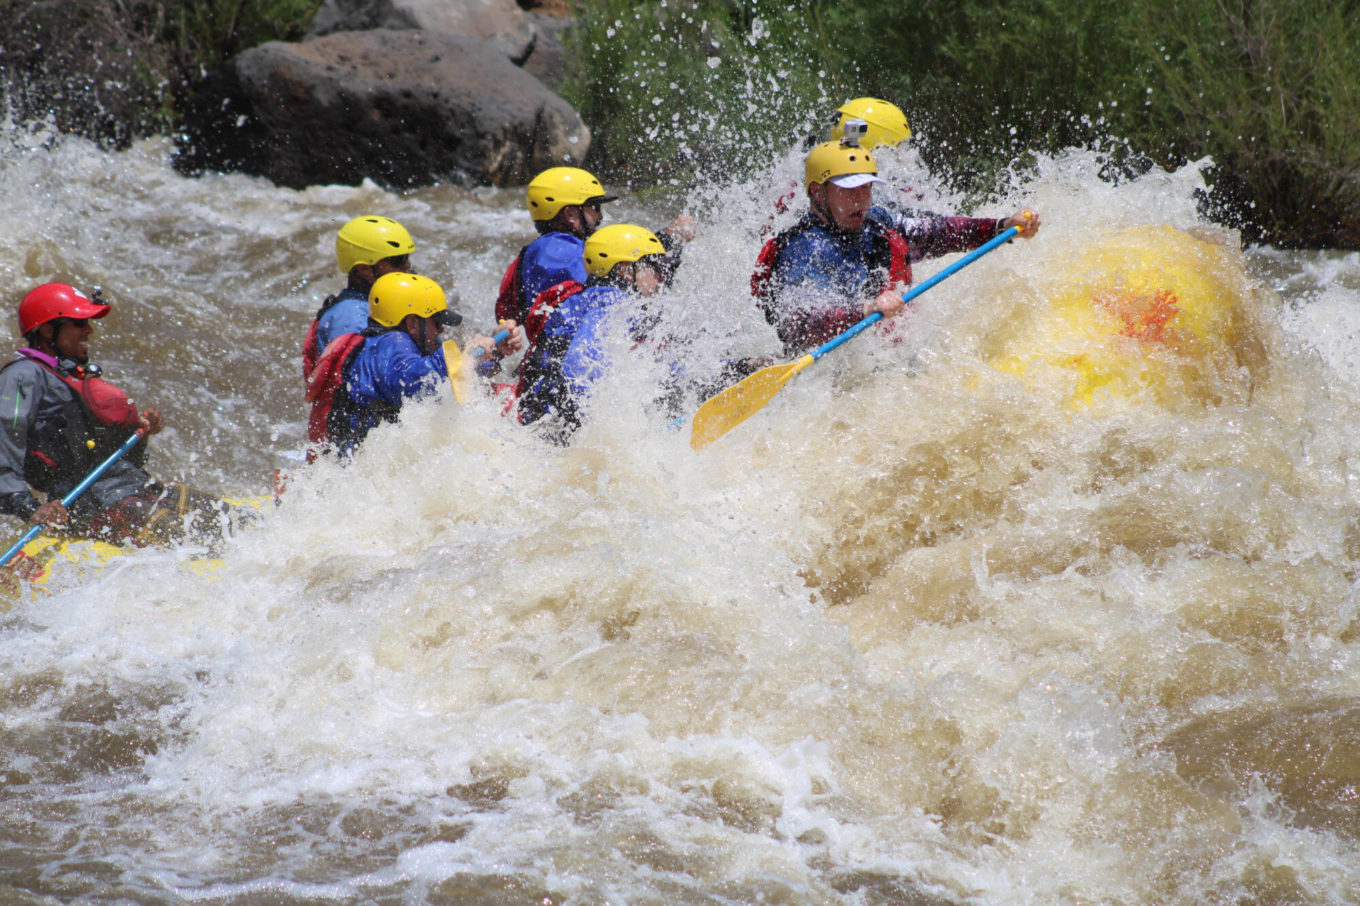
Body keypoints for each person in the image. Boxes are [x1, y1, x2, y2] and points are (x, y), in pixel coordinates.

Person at [752, 129, 1040, 356]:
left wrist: (1001, 227)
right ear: (818, 192)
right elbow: (797, 324)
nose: (861, 200)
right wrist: (865, 310)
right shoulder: (805, 249)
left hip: (879, 360)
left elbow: (940, 233)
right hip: (825, 377)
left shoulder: (876, 224)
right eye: (849, 191)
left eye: (866, 188)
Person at [0, 283, 241, 549]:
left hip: (131, 485)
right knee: (188, 539)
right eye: (79, 323)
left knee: (233, 520)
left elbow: (116, 457)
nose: (88, 330)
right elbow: (3, 443)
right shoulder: (22, 376)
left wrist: (139, 432)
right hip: (89, 503)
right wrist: (28, 508)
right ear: (48, 330)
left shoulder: (68, 377)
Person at [305, 272, 523, 454]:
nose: (441, 329)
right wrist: (470, 351)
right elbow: (416, 383)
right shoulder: (390, 344)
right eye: (436, 321)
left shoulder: (394, 344)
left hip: (370, 458)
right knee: (504, 399)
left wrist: (495, 354)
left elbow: (448, 378)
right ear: (412, 323)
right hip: (355, 464)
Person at [514, 224, 671, 441]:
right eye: (654, 266)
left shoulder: (588, 298)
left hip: (540, 422)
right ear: (626, 270)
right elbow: (580, 366)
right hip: (560, 434)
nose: (662, 277)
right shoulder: (612, 301)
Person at [494, 166, 695, 328]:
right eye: (594, 207)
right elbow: (605, 283)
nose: (599, 215)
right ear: (570, 214)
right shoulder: (560, 251)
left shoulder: (533, 253)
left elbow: (507, 313)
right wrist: (666, 238)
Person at [302, 215, 416, 378]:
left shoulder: (376, 305)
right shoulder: (351, 317)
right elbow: (359, 381)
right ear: (364, 269)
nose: (407, 266)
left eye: (407, 257)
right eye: (397, 260)